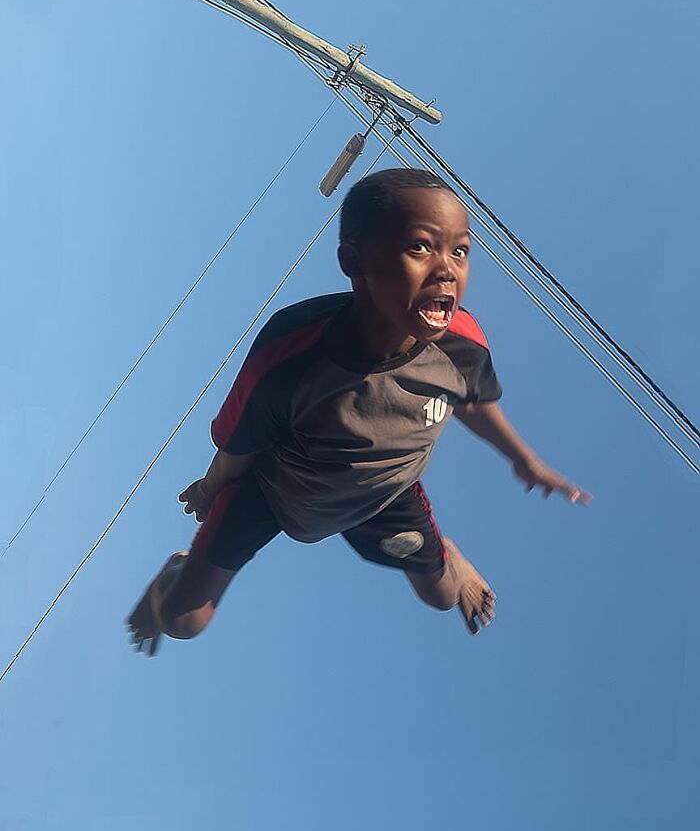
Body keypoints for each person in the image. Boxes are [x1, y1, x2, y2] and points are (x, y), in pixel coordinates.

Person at [128, 168, 591, 657]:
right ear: (354, 259)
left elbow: (473, 401)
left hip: (386, 495)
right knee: (182, 621)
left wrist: (522, 459)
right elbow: (240, 444)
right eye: (420, 246)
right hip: (275, 491)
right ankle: (179, 569)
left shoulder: (463, 346)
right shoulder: (293, 354)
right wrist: (211, 485)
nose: (447, 268)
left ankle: (447, 552)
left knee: (441, 596)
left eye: (460, 250)